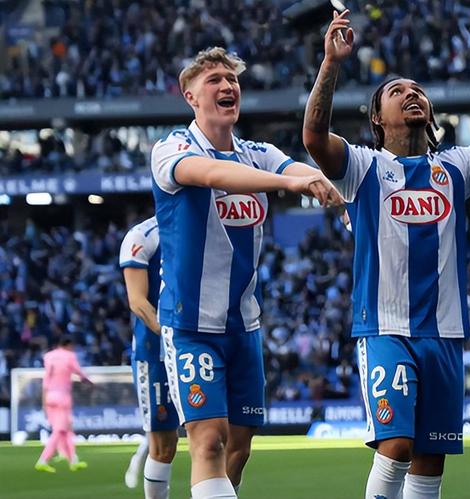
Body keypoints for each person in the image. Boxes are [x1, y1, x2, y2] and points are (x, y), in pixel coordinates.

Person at [303, 10, 470, 499]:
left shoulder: (457, 167)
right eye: (397, 91)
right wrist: (331, 63)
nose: (412, 93)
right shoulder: (363, 167)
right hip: (386, 327)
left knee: (429, 461)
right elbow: (313, 138)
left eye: (418, 90)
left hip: (445, 332)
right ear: (377, 118)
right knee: (396, 445)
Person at [151, 46, 340, 499]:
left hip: (243, 325)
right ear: (190, 96)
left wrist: (328, 186)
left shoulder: (258, 153)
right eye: (214, 80)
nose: (227, 86)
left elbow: (299, 168)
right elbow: (212, 174)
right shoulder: (171, 149)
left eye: (232, 79)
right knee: (208, 440)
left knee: (239, 447)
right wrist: (291, 183)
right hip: (192, 324)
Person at [120, 216, 179, 498]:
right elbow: (137, 301)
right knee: (165, 444)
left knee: (215, 433)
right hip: (156, 352)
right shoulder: (143, 235)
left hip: (202, 344)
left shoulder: (206, 228)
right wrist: (170, 335)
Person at [34, 336, 92, 473]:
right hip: (62, 398)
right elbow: (79, 372)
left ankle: (73, 461)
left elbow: (47, 378)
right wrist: (88, 381)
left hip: (49, 397)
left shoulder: (49, 356)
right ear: (69, 345)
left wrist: (44, 402)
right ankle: (42, 460)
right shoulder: (69, 356)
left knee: (66, 430)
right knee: (59, 430)